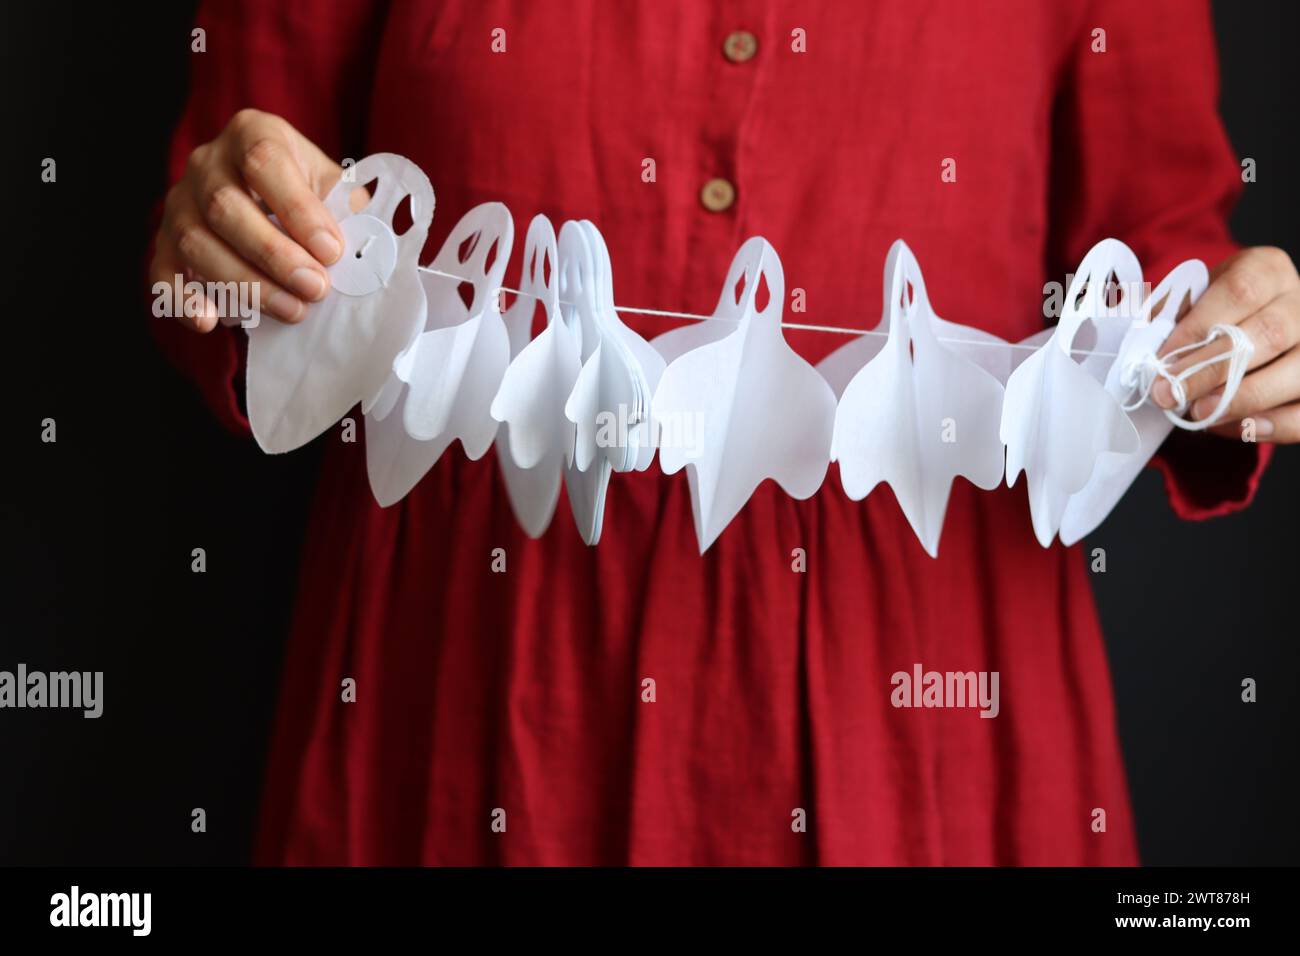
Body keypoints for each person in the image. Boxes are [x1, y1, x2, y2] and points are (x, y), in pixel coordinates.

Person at [149, 1, 1296, 865]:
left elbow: (1160, 251)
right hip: (469, 678)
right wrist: (228, 244)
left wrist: (1236, 334)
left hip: (920, 699)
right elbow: (229, 226)